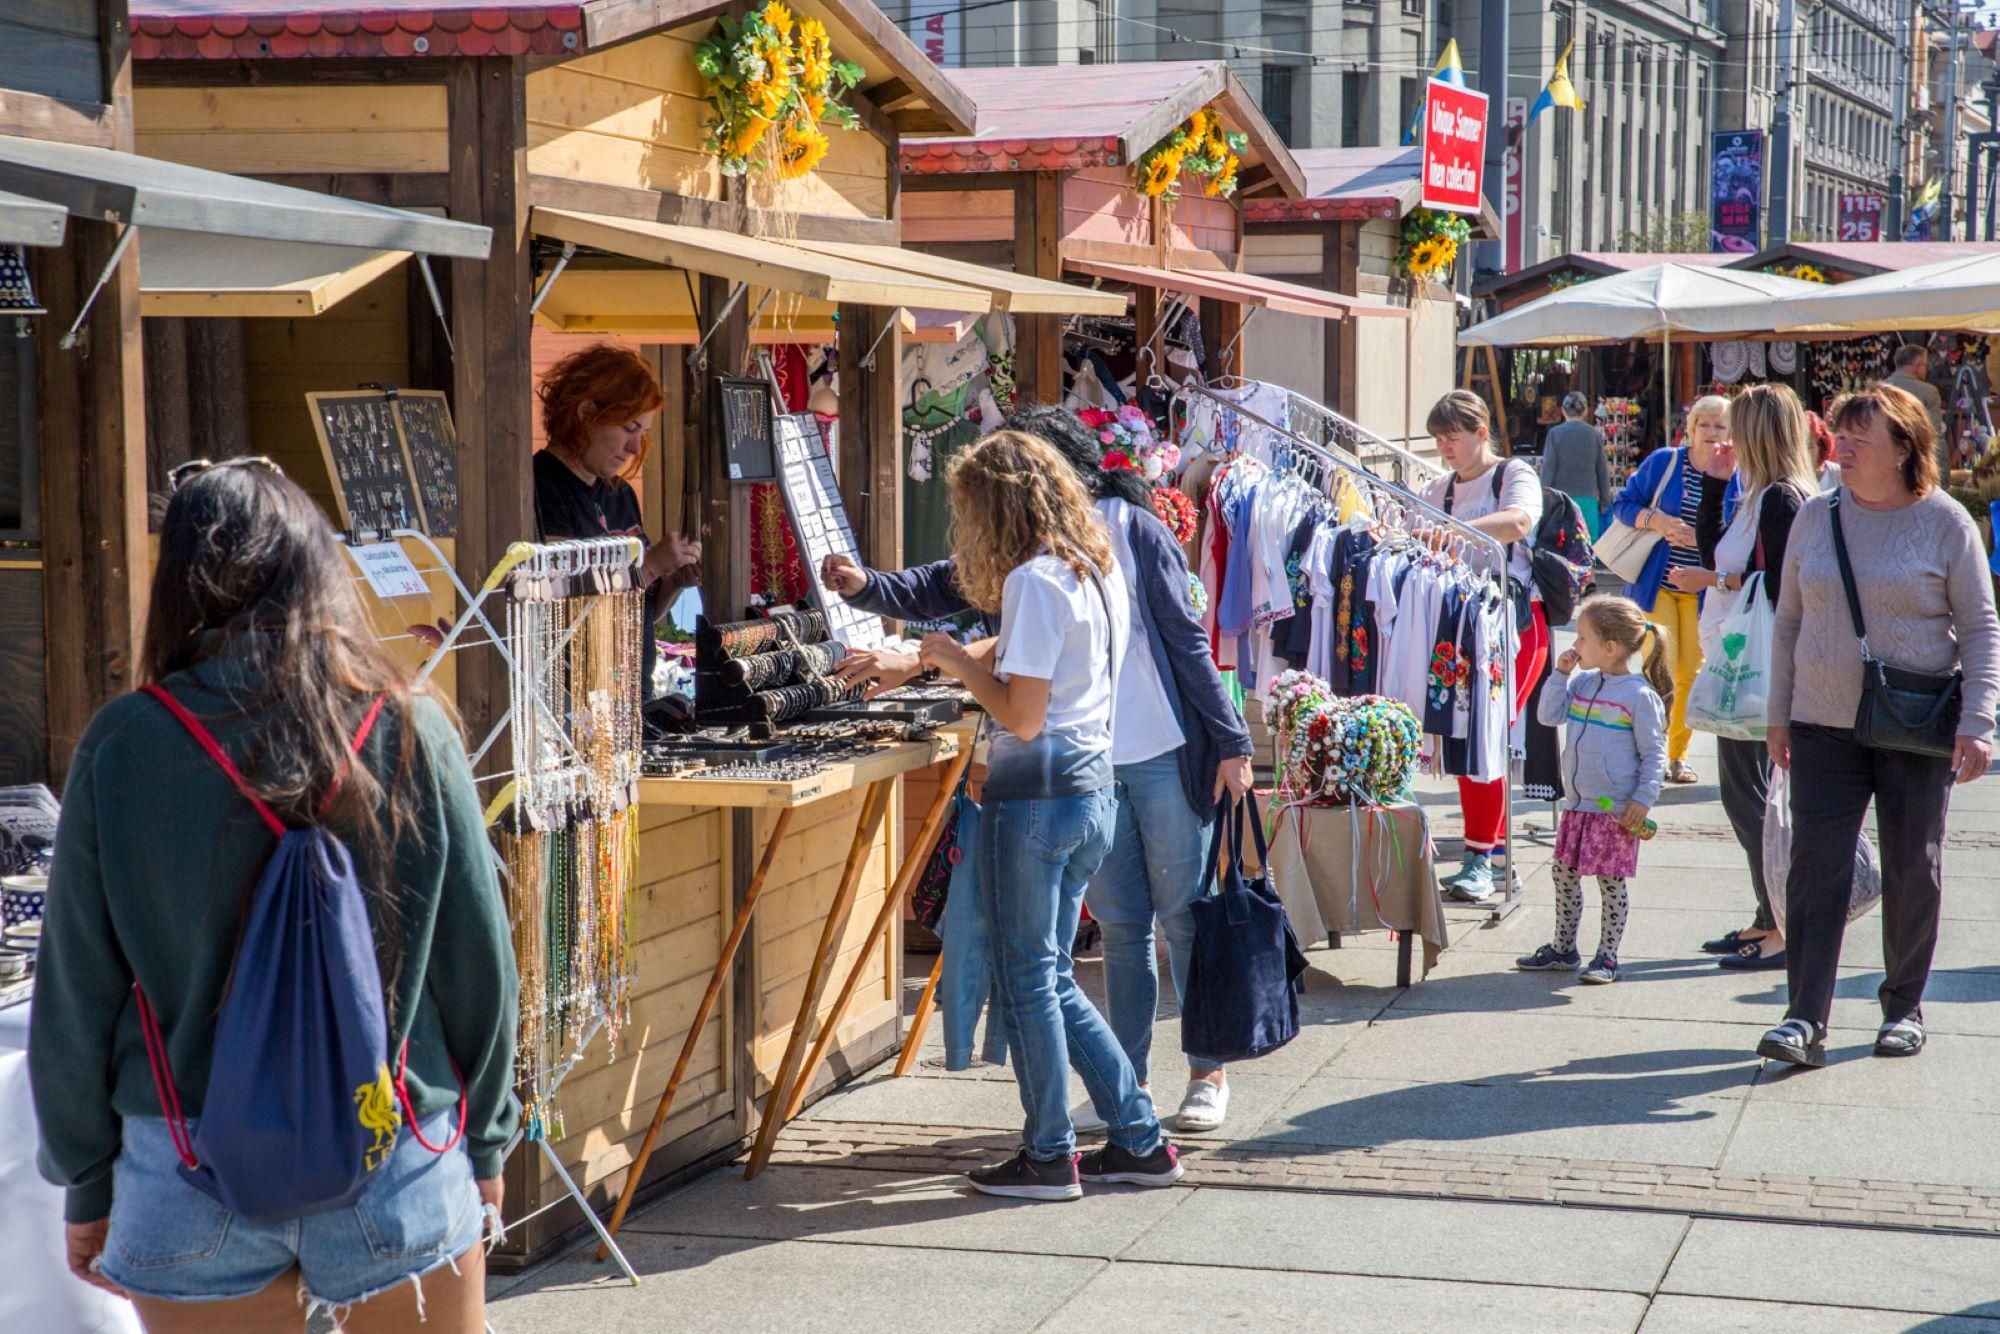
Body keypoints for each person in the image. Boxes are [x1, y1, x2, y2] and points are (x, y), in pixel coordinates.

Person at [30, 460, 519, 1332]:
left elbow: (76, 992)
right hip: (394, 1142)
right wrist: (488, 1141)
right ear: (319, 567)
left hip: (185, 1158)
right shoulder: (411, 727)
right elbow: (478, 965)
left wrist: (86, 1178)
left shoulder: (123, 744)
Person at [823, 405, 1256, 1132]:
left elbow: (1187, 643)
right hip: (1093, 765)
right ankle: (1128, 1084)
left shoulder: (1122, 533)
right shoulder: (1043, 553)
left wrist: (1232, 741)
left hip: (1160, 754)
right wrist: (869, 588)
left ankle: (1206, 1071)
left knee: (1181, 919)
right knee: (1121, 928)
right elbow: (953, 586)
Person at [913, 430, 1182, 1200]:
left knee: (1029, 977)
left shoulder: (1034, 578)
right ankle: (1136, 1140)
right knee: (1051, 974)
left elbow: (1022, 716)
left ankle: (1049, 1152)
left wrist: (956, 660)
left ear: (996, 507)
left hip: (1039, 794)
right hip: (1092, 785)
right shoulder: (1094, 566)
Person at [1759, 385, 2000, 1068]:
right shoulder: (1815, 515)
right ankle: (1804, 1017)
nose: (1844, 445)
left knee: (1911, 866)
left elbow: (1981, 629)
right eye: (1841, 432)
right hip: (1821, 723)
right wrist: (1778, 715)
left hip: (1916, 722)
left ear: (1904, 448)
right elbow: (1789, 623)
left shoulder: (1945, 522)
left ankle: (1902, 1007)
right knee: (1816, 868)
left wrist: (1979, 719)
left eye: (1862, 436)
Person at [1671, 385, 1818, 971]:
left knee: (1748, 796)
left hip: (1766, 668)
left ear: (1760, 432)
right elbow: (1718, 551)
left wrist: (1715, 585)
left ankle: (1782, 921)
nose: (1724, 438)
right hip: (1743, 659)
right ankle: (1768, 914)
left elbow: (1782, 589)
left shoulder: (1783, 498)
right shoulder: (1758, 493)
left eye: (1737, 427)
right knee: (1744, 793)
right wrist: (1713, 484)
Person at [1421, 390, 1548, 903]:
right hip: (1463, 629)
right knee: (1465, 734)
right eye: (1437, 440)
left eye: (1452, 438)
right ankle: (1492, 859)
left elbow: (1519, 521)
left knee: (1487, 735)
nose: (1444, 448)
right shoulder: (1437, 486)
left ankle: (1483, 858)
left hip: (1517, 627)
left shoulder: (1513, 474)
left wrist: (1454, 533)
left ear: (1480, 433)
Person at [533, 343, 702, 700]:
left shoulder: (620, 493)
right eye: (629, 428)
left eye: (643, 433)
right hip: (575, 699)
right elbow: (565, 601)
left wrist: (671, 583)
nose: (635, 448)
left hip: (630, 697)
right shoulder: (541, 486)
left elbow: (639, 615)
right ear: (586, 412)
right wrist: (652, 566)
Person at [1515, 595, 1670, 984]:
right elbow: (1548, 715)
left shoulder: (1639, 696)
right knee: (1564, 875)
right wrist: (1559, 676)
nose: (1575, 644)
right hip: (1579, 804)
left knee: (1609, 883)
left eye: (1582, 638)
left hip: (1614, 809)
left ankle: (1607, 958)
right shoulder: (1582, 681)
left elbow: (1655, 755)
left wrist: (1643, 800)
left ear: (1611, 647)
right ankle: (1564, 949)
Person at [1609, 394, 1741, 785]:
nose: (1712, 433)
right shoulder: (1666, 462)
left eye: (1720, 426)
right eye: (1705, 425)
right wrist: (1657, 522)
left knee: (1692, 674)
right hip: (1659, 585)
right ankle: (1652, 750)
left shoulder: (1738, 472)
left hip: (1704, 590)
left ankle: (1677, 754)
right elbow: (1623, 504)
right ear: (1691, 428)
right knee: (1659, 670)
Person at [1539, 391, 1614, 538]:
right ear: (1585, 411)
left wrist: (1542, 499)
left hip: (1561, 503)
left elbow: (1548, 468)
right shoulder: (1594, 434)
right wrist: (1605, 499)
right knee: (1586, 548)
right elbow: (1602, 470)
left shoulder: (1554, 434)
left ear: (1562, 411)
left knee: (1562, 546)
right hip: (1588, 501)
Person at [1881, 341, 1947, 471]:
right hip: (1919, 462)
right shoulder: (1929, 391)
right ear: (1918, 366)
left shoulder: (1879, 389)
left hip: (1887, 459)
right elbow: (1932, 432)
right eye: (1925, 366)